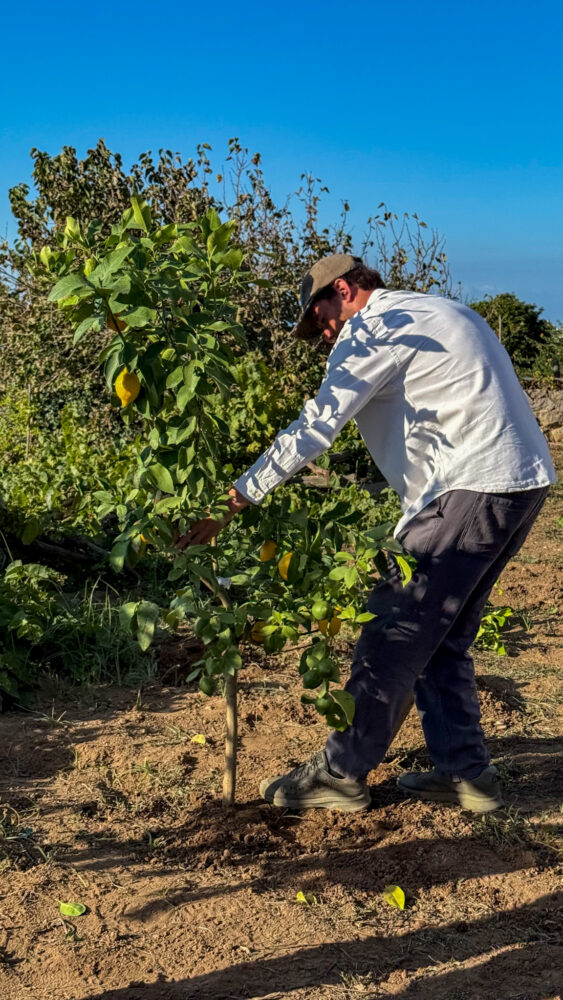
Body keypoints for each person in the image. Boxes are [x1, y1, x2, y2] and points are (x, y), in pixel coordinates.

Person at [180, 254, 556, 814]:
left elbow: (315, 426)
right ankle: (466, 776)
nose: (323, 333)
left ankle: (340, 772)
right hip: (519, 482)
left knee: (395, 630)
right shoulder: (436, 309)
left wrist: (236, 497)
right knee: (441, 635)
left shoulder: (373, 327)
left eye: (320, 317)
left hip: (472, 484)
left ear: (344, 290)